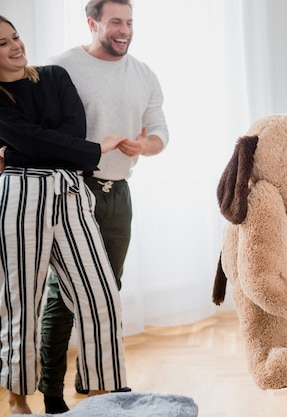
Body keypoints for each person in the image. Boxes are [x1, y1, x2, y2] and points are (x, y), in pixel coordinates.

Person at [38, 0, 169, 413]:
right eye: (116, 22)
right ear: (92, 22)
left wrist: (143, 145)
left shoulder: (144, 74)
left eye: (129, 22)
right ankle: (51, 390)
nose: (124, 30)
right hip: (72, 191)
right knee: (63, 296)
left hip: (119, 194)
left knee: (107, 292)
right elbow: (40, 132)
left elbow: (161, 132)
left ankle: (93, 384)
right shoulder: (60, 68)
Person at [0, 15, 128, 415]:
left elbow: (72, 137)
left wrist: (18, 151)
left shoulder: (54, 77)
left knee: (102, 294)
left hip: (71, 192)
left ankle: (104, 394)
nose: (16, 46)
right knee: (21, 301)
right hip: (21, 197)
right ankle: (17, 397)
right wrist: (43, 148)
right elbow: (36, 139)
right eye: (3, 43)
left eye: (16, 36)